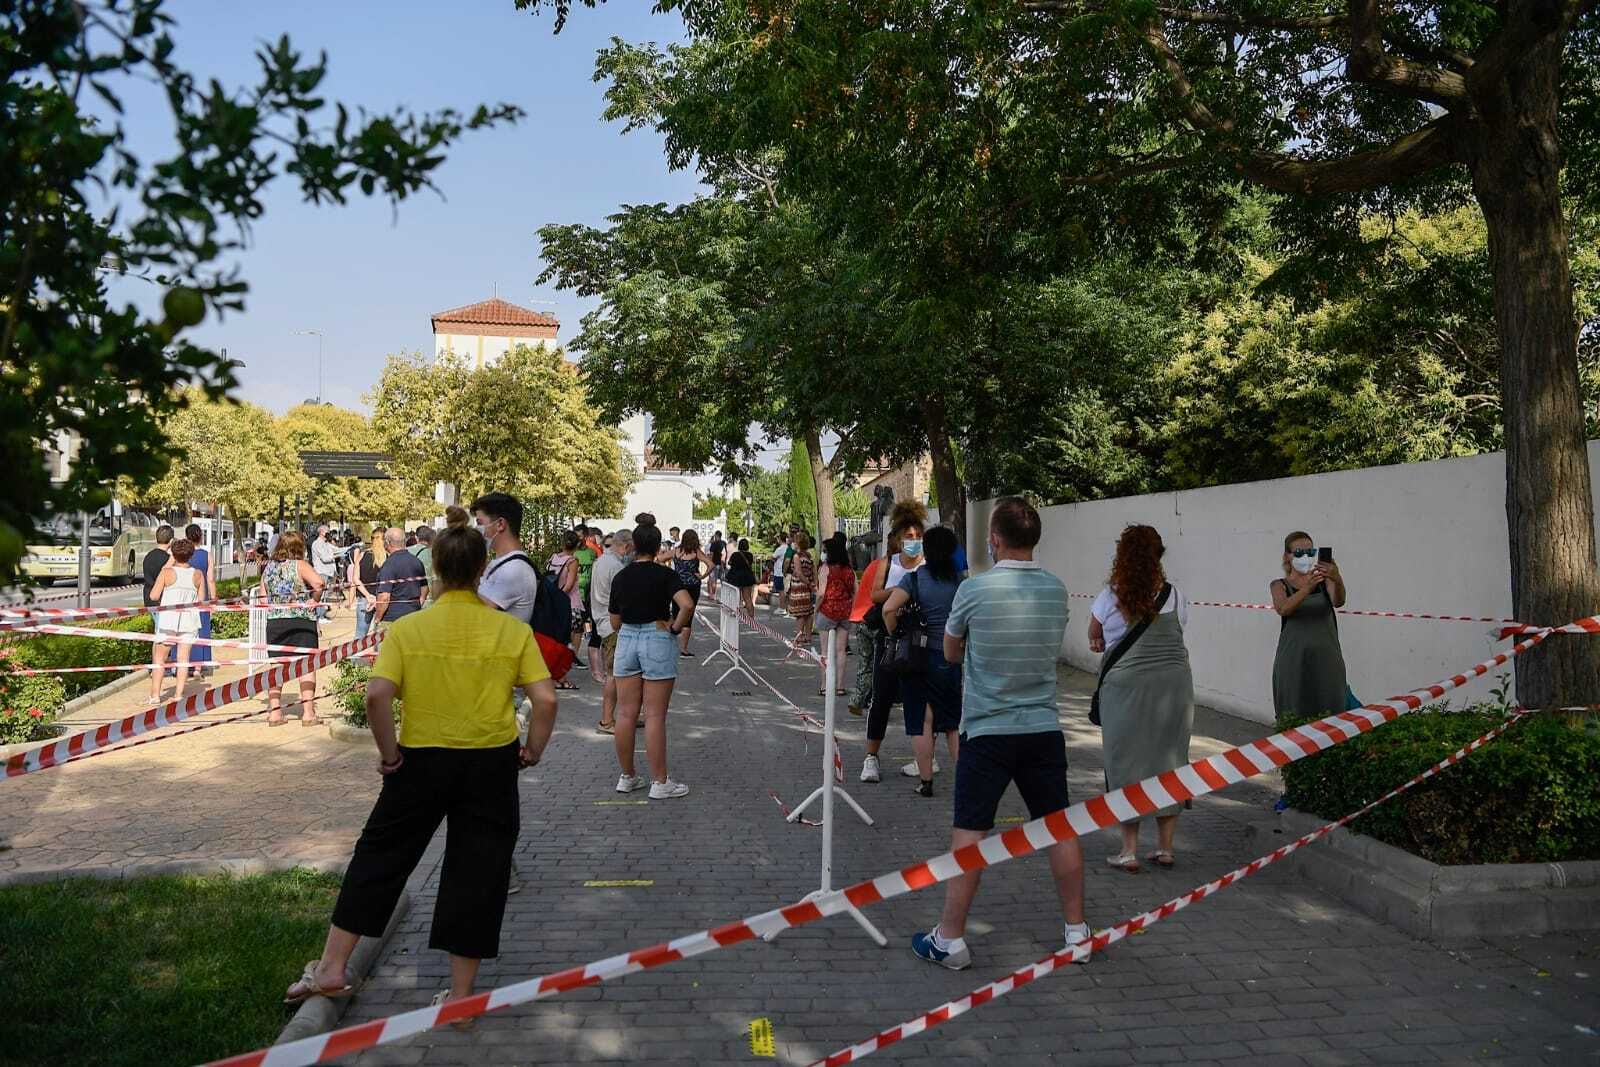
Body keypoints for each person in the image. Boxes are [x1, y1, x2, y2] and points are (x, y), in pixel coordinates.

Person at [280, 518, 558, 1018]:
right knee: (478, 871)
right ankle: (461, 997)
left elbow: (377, 696)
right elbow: (545, 699)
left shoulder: (408, 630)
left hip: (420, 761)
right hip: (491, 763)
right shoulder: (512, 631)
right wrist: (532, 750)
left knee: (379, 857)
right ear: (482, 569)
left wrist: (390, 755)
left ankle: (332, 967)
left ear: (435, 571)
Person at [911, 497, 1090, 971]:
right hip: (1042, 726)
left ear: (994, 540)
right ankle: (1077, 931)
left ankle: (949, 938)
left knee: (969, 834)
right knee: (1058, 827)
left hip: (987, 729)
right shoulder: (1056, 589)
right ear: (1034, 539)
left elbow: (950, 652)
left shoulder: (974, 590)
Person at [1089, 524, 1194, 871]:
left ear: (1122, 556)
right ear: (1159, 556)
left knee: (1124, 763)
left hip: (1125, 689)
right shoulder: (1174, 594)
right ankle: (1166, 848)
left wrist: (1105, 642)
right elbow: (1181, 628)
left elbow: (1095, 636)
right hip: (1174, 688)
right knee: (1169, 761)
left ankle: (1129, 850)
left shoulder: (1111, 594)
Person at [609, 522, 696, 799]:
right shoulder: (664, 575)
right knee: (655, 715)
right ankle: (660, 782)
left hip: (627, 639)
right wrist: (674, 628)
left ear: (633, 546)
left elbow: (614, 621)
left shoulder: (621, 577)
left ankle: (627, 777)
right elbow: (687, 605)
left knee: (624, 713)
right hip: (657, 636)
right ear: (659, 547)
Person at [882, 526, 964, 797]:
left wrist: (898, 633)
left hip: (918, 659)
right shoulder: (961, 582)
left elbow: (888, 608)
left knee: (921, 721)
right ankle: (967, 781)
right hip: (951, 658)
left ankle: (926, 782)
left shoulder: (915, 580)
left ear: (927, 550)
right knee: (953, 723)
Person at [860, 501, 928, 784]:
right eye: (908, 538)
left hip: (919, 641)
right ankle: (871, 757)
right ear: (898, 540)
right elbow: (874, 595)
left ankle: (924, 757)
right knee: (881, 698)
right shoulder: (889, 563)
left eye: (917, 537)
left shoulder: (928, 565)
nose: (913, 542)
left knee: (921, 702)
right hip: (889, 639)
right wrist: (900, 591)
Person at [1271, 531, 1349, 725]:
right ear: (1287, 556)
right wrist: (1306, 588)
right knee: (1294, 715)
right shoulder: (1279, 585)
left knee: (1331, 715)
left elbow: (1338, 601)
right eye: (1298, 553)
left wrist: (1337, 578)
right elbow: (1283, 608)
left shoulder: (1324, 582)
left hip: (1327, 661)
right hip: (1294, 662)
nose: (1305, 557)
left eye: (1310, 551)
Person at [259, 531, 325, 726]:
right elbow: (319, 582)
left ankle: (275, 713)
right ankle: (308, 713)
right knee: (306, 665)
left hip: (275, 621)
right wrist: (313, 600)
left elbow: (263, 598)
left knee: (276, 665)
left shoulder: (268, 568)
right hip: (301, 619)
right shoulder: (300, 565)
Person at [148, 538, 204, 705]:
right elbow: (201, 600)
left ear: (173, 553)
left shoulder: (166, 572)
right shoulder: (198, 574)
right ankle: (179, 694)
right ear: (191, 555)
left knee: (159, 659)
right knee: (183, 658)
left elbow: (153, 596)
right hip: (189, 620)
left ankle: (155, 695)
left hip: (168, 619)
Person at [590, 528, 632, 734]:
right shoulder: (616, 567)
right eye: (631, 548)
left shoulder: (601, 562)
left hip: (602, 621)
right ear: (625, 546)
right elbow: (621, 601)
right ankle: (606, 720)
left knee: (615, 673)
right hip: (612, 624)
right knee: (613, 674)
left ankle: (619, 716)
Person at [815, 534, 856, 699]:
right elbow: (854, 591)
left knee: (825, 651)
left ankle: (825, 686)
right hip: (844, 612)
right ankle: (840, 686)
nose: (823, 553)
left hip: (827, 611)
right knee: (841, 651)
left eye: (825, 551)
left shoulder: (825, 569)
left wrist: (815, 610)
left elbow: (821, 594)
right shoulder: (848, 570)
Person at [846, 545, 883, 718]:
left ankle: (857, 699)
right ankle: (875, 701)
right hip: (877, 620)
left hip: (861, 619)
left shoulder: (874, 565)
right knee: (880, 664)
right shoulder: (890, 568)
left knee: (864, 663)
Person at [546, 531, 583, 690]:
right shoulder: (572, 561)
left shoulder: (553, 558)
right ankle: (562, 673)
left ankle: (554, 673)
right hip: (570, 603)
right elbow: (569, 584)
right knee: (573, 638)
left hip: (553, 602)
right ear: (577, 545)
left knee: (557, 639)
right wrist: (560, 597)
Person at [371, 528, 427, 630]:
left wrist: (378, 618)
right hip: (413, 618)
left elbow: (384, 597)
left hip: (391, 620)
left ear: (387, 543)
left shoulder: (389, 565)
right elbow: (424, 589)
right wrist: (417, 604)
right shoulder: (417, 562)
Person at [671, 529, 711, 656]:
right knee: (688, 615)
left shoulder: (676, 551)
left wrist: (669, 572)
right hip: (693, 585)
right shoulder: (696, 552)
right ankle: (684, 648)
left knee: (676, 612)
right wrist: (703, 576)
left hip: (677, 585)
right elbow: (711, 564)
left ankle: (670, 643)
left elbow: (660, 557)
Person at [183, 523, 216, 672]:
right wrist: (214, 598)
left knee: (184, 630)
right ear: (200, 537)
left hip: (185, 597)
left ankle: (184, 663)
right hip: (202, 598)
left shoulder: (183, 555)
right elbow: (210, 579)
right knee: (201, 629)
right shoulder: (206, 555)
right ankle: (198, 667)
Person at [786, 531, 817, 651]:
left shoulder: (796, 556)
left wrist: (807, 583)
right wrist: (813, 584)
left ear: (798, 543)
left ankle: (799, 638)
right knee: (808, 612)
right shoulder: (809, 556)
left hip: (799, 587)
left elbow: (798, 572)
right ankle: (808, 636)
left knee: (800, 614)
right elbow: (814, 571)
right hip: (808, 587)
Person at [349, 534, 380, 640]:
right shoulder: (386, 557)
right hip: (380, 599)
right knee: (379, 636)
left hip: (364, 599)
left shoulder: (362, 555)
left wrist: (367, 595)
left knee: (360, 635)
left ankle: (356, 656)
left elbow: (355, 579)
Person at [141, 524, 174, 620]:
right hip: (162, 600)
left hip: (148, 599)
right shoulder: (168, 560)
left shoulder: (148, 556)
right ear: (171, 542)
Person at [724, 537, 758, 618]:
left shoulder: (735, 555)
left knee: (736, 596)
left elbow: (729, 563)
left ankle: (736, 613)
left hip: (736, 577)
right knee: (747, 598)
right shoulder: (750, 555)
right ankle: (751, 617)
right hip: (747, 578)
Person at [311, 524, 339, 620]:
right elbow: (325, 558)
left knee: (326, 595)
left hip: (329, 572)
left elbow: (336, 550)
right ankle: (319, 616)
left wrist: (345, 550)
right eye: (327, 531)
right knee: (321, 595)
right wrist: (336, 556)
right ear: (322, 532)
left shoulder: (326, 543)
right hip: (321, 572)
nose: (329, 533)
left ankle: (322, 614)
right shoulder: (317, 544)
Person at [410, 525, 437, 601]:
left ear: (416, 537)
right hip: (431, 599)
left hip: (413, 598)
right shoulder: (436, 554)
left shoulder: (406, 551)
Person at [770, 533, 789, 616]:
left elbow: (773, 557)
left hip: (779, 572)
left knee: (781, 591)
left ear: (780, 539)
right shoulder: (788, 548)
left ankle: (782, 607)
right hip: (785, 572)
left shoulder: (780, 548)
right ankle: (785, 607)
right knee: (785, 591)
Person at [707, 530, 726, 597]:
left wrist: (710, 563)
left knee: (713, 580)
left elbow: (711, 554)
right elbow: (724, 553)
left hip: (714, 563)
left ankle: (713, 594)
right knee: (722, 581)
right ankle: (724, 595)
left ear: (716, 535)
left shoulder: (714, 543)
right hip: (722, 564)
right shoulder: (724, 543)